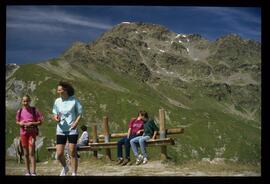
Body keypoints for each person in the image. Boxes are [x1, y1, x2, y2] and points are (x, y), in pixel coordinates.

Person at [52, 81, 83, 176]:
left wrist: (76, 123)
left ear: (65, 90)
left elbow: (80, 113)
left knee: (72, 151)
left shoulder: (74, 100)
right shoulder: (57, 101)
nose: (58, 91)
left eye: (59, 89)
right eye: (58, 90)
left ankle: (74, 173)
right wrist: (56, 117)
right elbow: (54, 113)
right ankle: (65, 167)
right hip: (60, 129)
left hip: (72, 129)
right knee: (59, 153)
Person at [16, 95, 43, 176]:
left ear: (29, 101)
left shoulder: (34, 110)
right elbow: (17, 121)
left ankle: (34, 172)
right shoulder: (19, 111)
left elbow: (40, 122)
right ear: (22, 102)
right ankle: (28, 172)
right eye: (24, 101)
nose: (25, 103)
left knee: (32, 152)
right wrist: (20, 123)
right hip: (23, 134)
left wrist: (32, 123)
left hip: (32, 134)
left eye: (27, 101)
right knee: (26, 153)